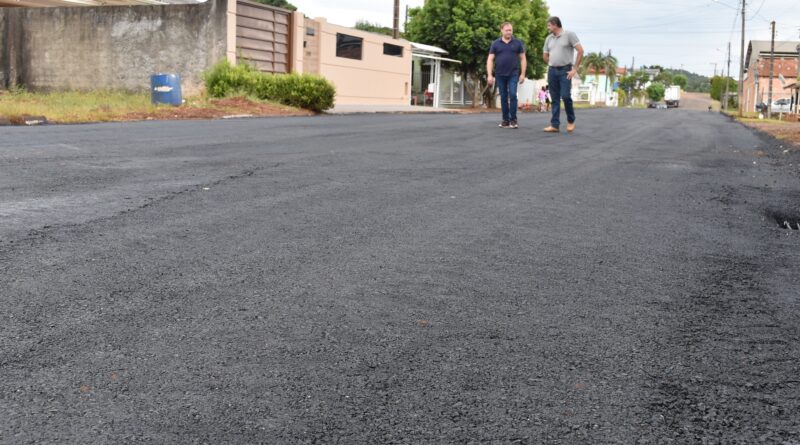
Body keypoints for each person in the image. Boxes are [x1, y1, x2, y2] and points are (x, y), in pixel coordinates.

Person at [542, 16, 583, 133]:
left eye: (549, 25)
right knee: (554, 98)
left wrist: (574, 69)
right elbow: (545, 54)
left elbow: (580, 51)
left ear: (555, 24)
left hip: (565, 70)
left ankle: (571, 120)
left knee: (565, 96)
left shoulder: (569, 35)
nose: (548, 27)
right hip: (552, 71)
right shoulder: (549, 38)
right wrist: (550, 62)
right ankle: (555, 125)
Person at [487, 22, 527, 129]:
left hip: (513, 74)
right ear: (502, 30)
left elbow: (523, 59)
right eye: (507, 30)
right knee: (503, 97)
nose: (509, 32)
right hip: (500, 74)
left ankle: (513, 119)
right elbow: (490, 59)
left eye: (510, 30)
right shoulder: (495, 43)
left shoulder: (518, 43)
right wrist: (489, 75)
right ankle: (505, 120)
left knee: (513, 95)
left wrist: (522, 74)